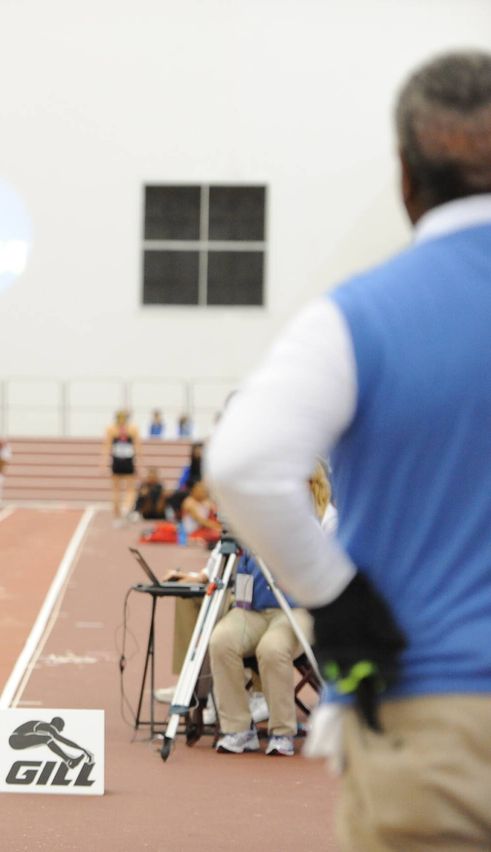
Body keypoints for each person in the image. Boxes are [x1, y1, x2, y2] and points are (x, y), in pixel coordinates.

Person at [207, 51, 491, 851]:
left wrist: (336, 598)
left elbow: (243, 463)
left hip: (436, 711)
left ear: (405, 175)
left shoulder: (362, 315)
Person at [209, 463, 334, 756]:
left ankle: (282, 731)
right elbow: (223, 560)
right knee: (221, 641)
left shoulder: (318, 520)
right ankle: (238, 728)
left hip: (297, 610)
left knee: (273, 648)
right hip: (253, 609)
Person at [101, 410, 140, 524]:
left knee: (116, 490)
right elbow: (138, 447)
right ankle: (126, 507)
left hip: (117, 462)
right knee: (130, 489)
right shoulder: (132, 429)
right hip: (128, 462)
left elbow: (106, 447)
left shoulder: (111, 429)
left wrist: (103, 464)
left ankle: (117, 516)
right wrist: (140, 464)